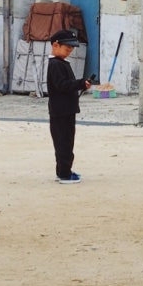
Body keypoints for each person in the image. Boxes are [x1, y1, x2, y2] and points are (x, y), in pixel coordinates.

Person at [46, 28, 91, 183]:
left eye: (71, 49)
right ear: (55, 45)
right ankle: (64, 174)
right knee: (63, 143)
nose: (69, 51)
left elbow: (68, 85)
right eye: (67, 48)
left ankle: (64, 171)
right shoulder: (56, 65)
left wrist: (82, 85)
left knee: (66, 142)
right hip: (61, 112)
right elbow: (62, 85)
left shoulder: (61, 63)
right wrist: (79, 83)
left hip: (65, 110)